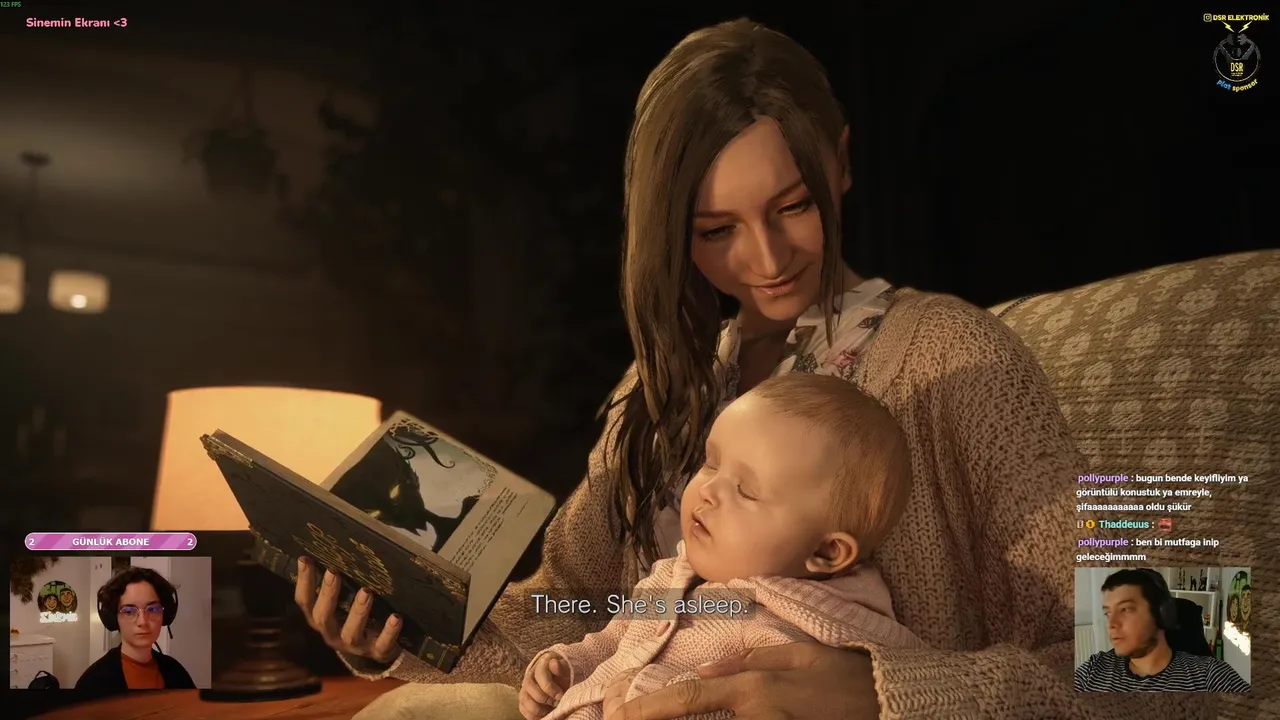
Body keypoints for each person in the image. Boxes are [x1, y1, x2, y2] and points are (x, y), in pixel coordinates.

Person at [299, 18, 1220, 719]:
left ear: (841, 164)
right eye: (716, 231)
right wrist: (405, 630)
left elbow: (1179, 660)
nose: (768, 259)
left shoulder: (955, 356)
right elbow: (574, 618)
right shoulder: (656, 396)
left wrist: (880, 693)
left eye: (793, 205)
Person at [514, 374, 925, 720]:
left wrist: (650, 691)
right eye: (710, 463)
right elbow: (618, 638)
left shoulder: (801, 634)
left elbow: (739, 703)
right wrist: (570, 664)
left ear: (825, 553)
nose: (708, 490)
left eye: (746, 491)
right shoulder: (673, 574)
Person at [1075, 569, 1249, 692]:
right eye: (1107, 613)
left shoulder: (1209, 676)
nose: (1111, 624)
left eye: (1126, 609)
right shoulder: (1093, 669)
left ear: (1162, 614)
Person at [74, 567, 196, 693]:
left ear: (165, 615)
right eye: (129, 611)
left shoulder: (176, 672)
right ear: (114, 618)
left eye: (153, 609)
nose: (142, 622)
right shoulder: (93, 681)